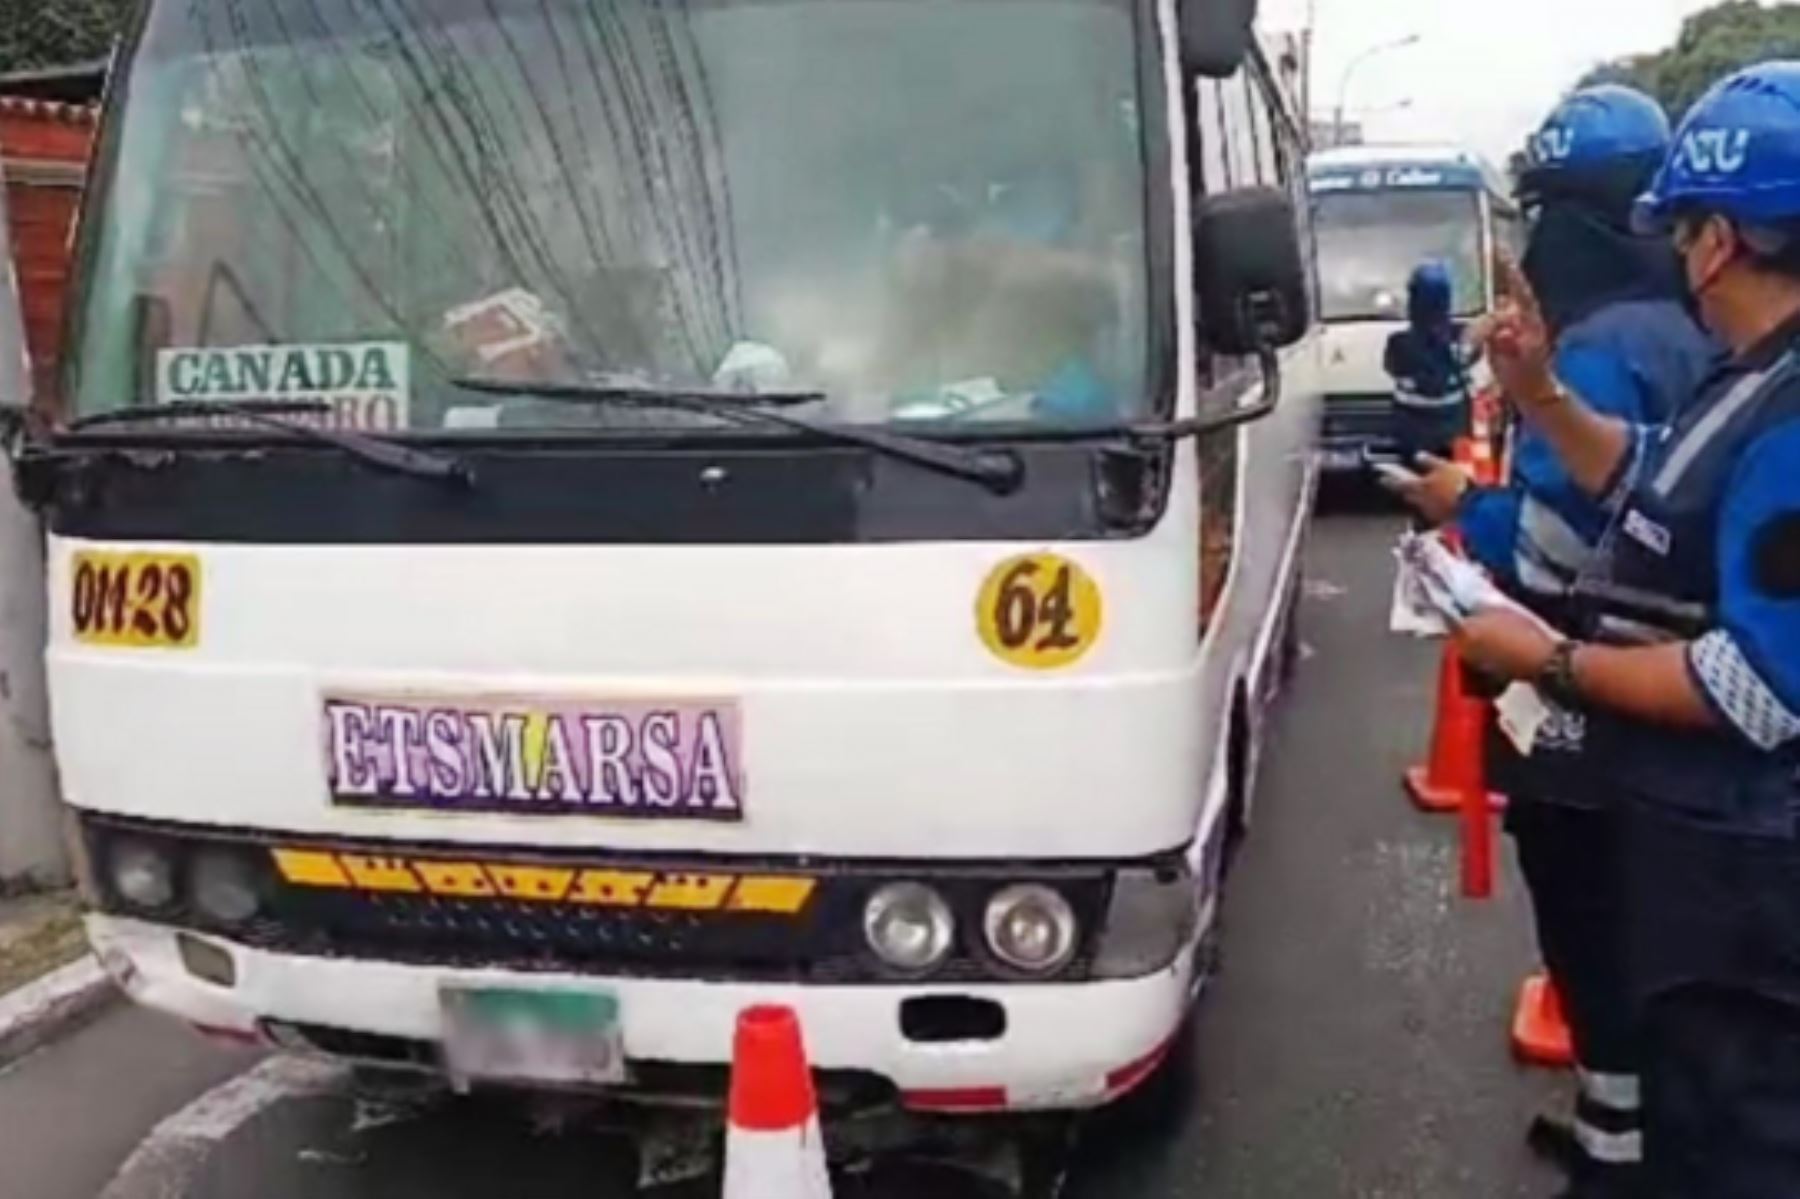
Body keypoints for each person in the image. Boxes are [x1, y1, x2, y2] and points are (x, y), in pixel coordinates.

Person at [1456, 61, 1800, 1199]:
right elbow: (1654, 484)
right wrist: (1544, 392)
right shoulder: (1750, 383)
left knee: (1734, 1138)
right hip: (1709, 855)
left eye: (1689, 229)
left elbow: (1760, 686)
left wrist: (1545, 658)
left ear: (1717, 237)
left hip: (1752, 876)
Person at [1387, 84, 1715, 1199]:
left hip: (1595, 694)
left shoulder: (1604, 344)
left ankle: (1619, 1158)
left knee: (1594, 930)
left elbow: (1560, 538)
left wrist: (1458, 506)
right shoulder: (1689, 325)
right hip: (1673, 704)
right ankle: (1636, 1132)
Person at [1383, 261, 1479, 462]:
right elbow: (1472, 357)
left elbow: (1391, 368)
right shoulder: (1462, 335)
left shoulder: (1398, 343)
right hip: (1454, 429)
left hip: (1412, 433)